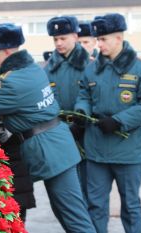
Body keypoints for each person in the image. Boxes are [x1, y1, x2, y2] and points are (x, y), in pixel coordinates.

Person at [0, 23, 96, 233]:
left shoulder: (14, 81)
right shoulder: (28, 69)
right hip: (56, 147)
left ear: (6, 51)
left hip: (52, 151)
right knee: (67, 213)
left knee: (74, 218)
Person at [74, 13, 141, 233]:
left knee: (131, 206)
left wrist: (118, 121)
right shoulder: (92, 69)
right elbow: (84, 94)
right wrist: (81, 111)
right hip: (96, 150)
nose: (99, 44)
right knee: (95, 206)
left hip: (128, 150)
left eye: (103, 39)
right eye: (98, 39)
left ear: (118, 38)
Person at [44, 16, 90, 199]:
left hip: (85, 133)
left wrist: (82, 120)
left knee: (88, 187)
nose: (58, 43)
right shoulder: (47, 69)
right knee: (68, 190)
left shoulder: (90, 65)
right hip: (59, 133)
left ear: (75, 36)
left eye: (63, 38)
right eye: (55, 39)